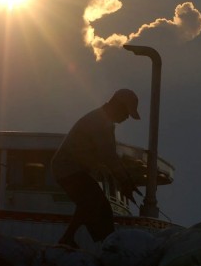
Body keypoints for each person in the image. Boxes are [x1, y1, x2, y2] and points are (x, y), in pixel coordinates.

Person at [51, 88, 142, 249]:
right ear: (117, 106)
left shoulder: (103, 121)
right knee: (97, 205)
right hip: (68, 168)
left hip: (72, 169)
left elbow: (109, 156)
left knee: (89, 202)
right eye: (126, 113)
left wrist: (126, 180)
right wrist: (125, 181)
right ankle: (107, 245)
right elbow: (108, 156)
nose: (127, 117)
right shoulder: (100, 123)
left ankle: (70, 238)